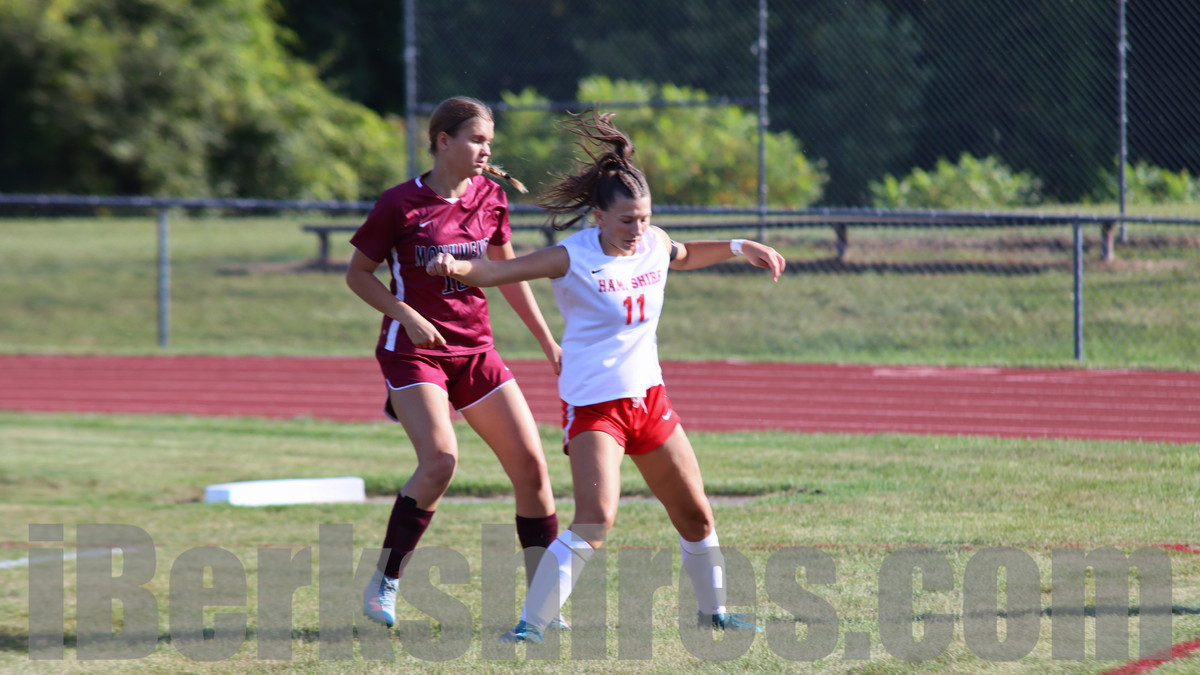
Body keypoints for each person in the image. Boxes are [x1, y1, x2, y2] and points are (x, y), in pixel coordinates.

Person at [425, 111, 787, 643]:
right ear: (598, 216)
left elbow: (685, 255)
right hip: (596, 407)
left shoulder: (654, 243)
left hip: (650, 401)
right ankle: (530, 626)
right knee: (596, 520)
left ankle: (715, 614)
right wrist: (456, 268)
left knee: (696, 516)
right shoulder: (571, 256)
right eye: (626, 221)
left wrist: (740, 246)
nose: (637, 230)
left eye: (644, 218)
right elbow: (499, 271)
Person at [347, 96, 565, 629]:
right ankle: (385, 581)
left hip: (476, 350)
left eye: (489, 141)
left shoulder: (491, 196)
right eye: (476, 139)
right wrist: (407, 315)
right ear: (443, 141)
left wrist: (547, 342)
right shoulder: (400, 203)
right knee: (441, 462)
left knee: (532, 469)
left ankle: (542, 605)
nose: (486, 150)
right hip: (414, 350)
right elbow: (358, 274)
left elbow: (508, 275)